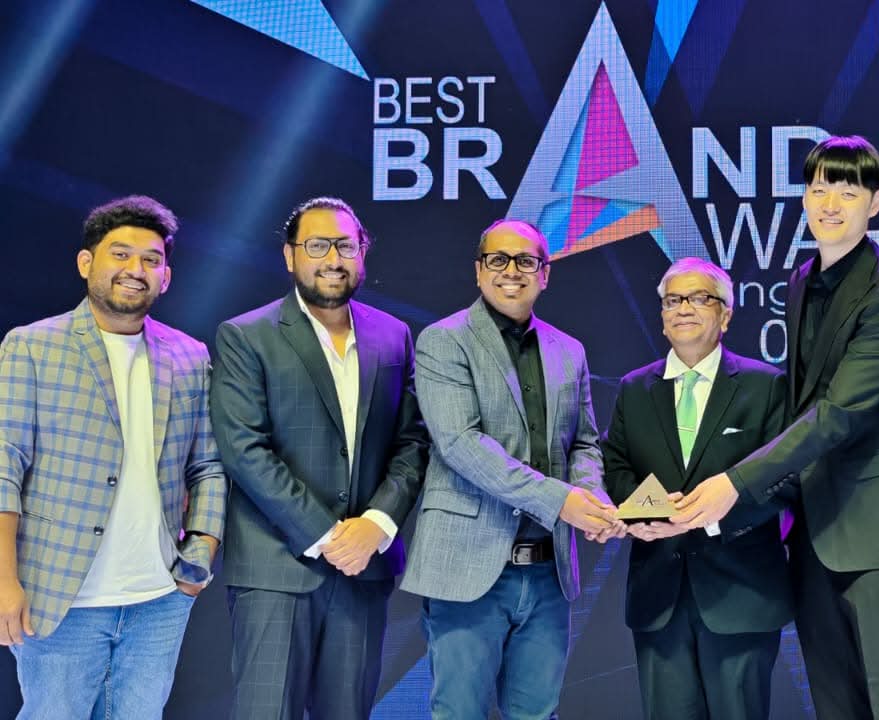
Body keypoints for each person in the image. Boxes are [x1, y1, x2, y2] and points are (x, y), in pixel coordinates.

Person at [671, 135, 879, 719]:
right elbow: (800, 406)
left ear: (876, 203)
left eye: (848, 191)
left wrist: (735, 483)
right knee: (834, 702)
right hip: (813, 529)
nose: (830, 204)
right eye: (819, 189)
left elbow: (837, 413)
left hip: (878, 534)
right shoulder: (801, 280)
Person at [0, 195, 225, 718]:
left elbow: (209, 466)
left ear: (166, 277)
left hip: (158, 599)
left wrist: (199, 556)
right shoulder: (31, 347)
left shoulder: (190, 355)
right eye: (120, 254)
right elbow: (4, 465)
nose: (135, 269)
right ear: (87, 263)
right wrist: (4, 579)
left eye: (150, 259)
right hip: (59, 597)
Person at [210, 197, 428, 719]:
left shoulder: (393, 335)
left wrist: (375, 526)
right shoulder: (246, 336)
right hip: (276, 569)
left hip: (363, 570)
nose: (333, 258)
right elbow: (244, 449)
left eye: (346, 246)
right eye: (317, 245)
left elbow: (413, 442)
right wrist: (330, 536)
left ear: (363, 253)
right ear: (290, 256)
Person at [401, 219, 623, 719]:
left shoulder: (570, 350)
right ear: (479, 271)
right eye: (498, 260)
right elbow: (461, 444)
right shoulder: (443, 341)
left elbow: (584, 442)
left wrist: (590, 495)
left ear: (545, 273)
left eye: (526, 261)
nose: (511, 271)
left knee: (537, 714)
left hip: (548, 573)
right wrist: (561, 501)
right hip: (467, 569)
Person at [603, 257, 792, 720]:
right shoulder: (634, 388)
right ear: (662, 316)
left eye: (699, 298)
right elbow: (616, 466)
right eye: (673, 300)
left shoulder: (766, 385)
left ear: (725, 315)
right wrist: (649, 513)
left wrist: (708, 519)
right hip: (658, 598)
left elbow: (787, 479)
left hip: (741, 597)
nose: (684, 308)